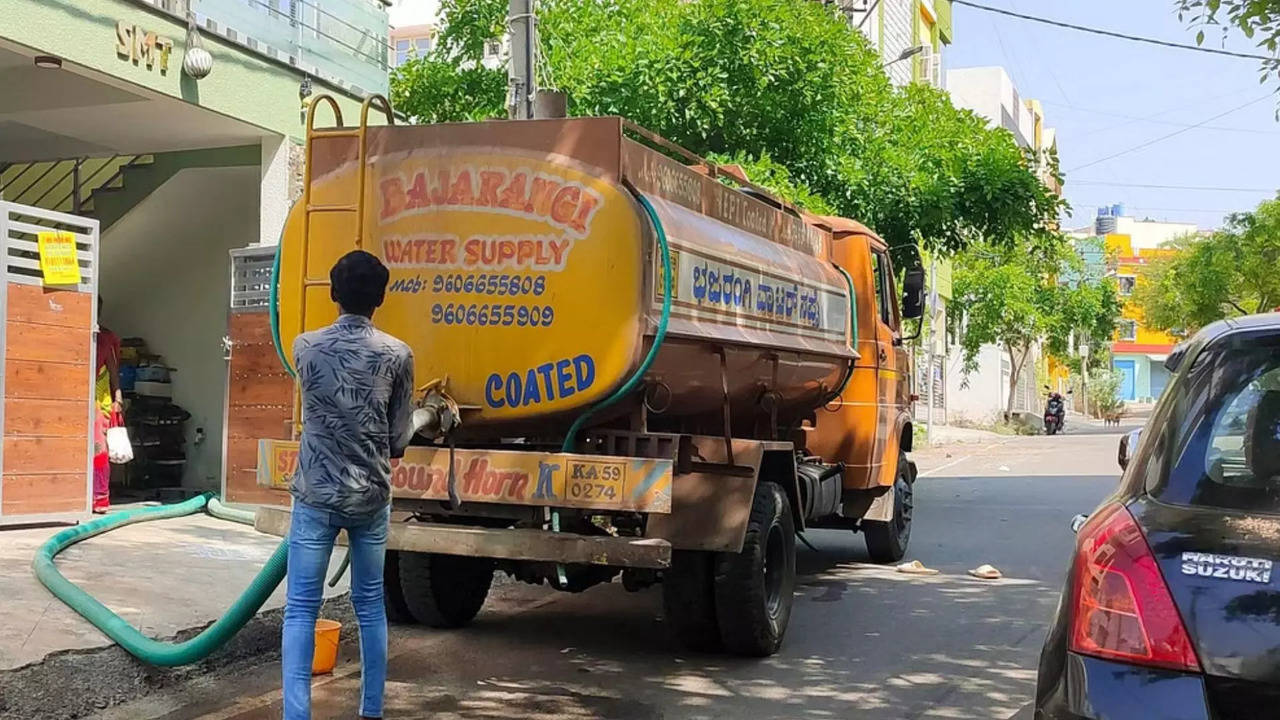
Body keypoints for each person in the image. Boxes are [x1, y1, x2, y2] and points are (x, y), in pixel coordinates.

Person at [283, 250, 414, 720]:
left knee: (301, 608)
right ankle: (371, 711)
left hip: (316, 494)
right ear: (381, 297)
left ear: (333, 294)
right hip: (370, 497)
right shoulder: (398, 354)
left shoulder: (305, 347)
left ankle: (296, 715)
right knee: (370, 605)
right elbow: (398, 438)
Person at [93, 297, 122, 514]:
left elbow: (113, 370)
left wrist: (118, 398)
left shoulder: (106, 337)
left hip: (98, 401)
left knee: (98, 447)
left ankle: (99, 498)